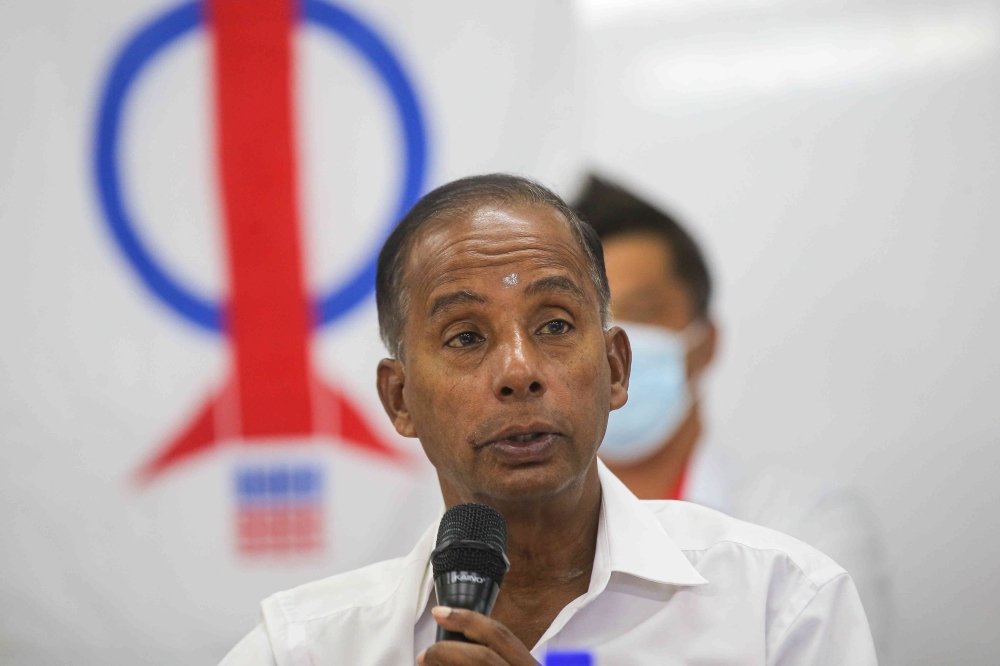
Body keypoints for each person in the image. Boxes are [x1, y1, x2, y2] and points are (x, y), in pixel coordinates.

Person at [219, 174, 876, 665]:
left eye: (555, 325)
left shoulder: (780, 604)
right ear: (400, 400)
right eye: (466, 337)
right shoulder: (302, 649)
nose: (518, 370)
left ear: (614, 368)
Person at [574, 174, 892, 663]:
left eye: (642, 312)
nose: (614, 347)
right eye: (576, 322)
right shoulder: (496, 549)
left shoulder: (804, 534)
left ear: (706, 344)